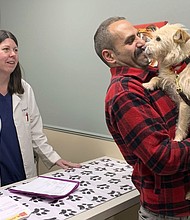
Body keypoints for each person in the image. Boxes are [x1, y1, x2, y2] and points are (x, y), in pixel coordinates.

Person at [94, 16, 190, 219]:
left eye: (138, 35)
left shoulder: (158, 75)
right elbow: (163, 159)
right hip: (170, 211)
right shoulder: (125, 93)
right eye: (130, 41)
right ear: (110, 56)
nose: (141, 42)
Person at [0, 30, 81, 187]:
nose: (13, 54)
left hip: (22, 173)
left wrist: (55, 158)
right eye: (6, 49)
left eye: (16, 50)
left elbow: (35, 133)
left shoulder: (24, 89)